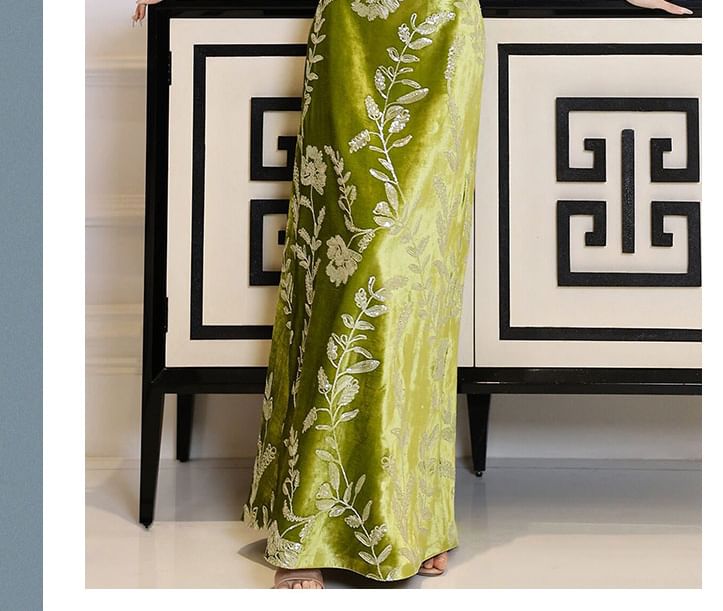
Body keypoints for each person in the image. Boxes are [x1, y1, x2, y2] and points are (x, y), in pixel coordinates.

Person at [132, 0, 693, 589]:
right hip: (352, 37)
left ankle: (413, 517)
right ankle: (309, 525)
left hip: (443, 35)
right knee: (349, 261)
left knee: (419, 273)